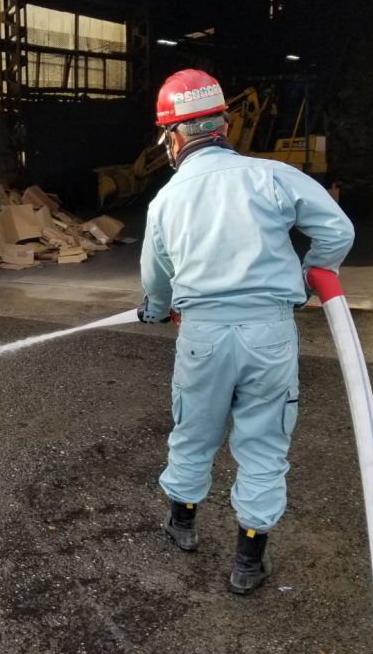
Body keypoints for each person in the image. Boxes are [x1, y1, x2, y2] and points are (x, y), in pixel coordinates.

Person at [138, 69, 355, 594]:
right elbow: (338, 229)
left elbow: (156, 279)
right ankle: (248, 563)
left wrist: (157, 309)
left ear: (173, 137)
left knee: (194, 432)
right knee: (263, 443)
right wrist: (311, 275)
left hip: (203, 337)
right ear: (225, 124)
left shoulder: (166, 200)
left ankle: (183, 526)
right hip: (269, 334)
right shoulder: (271, 176)